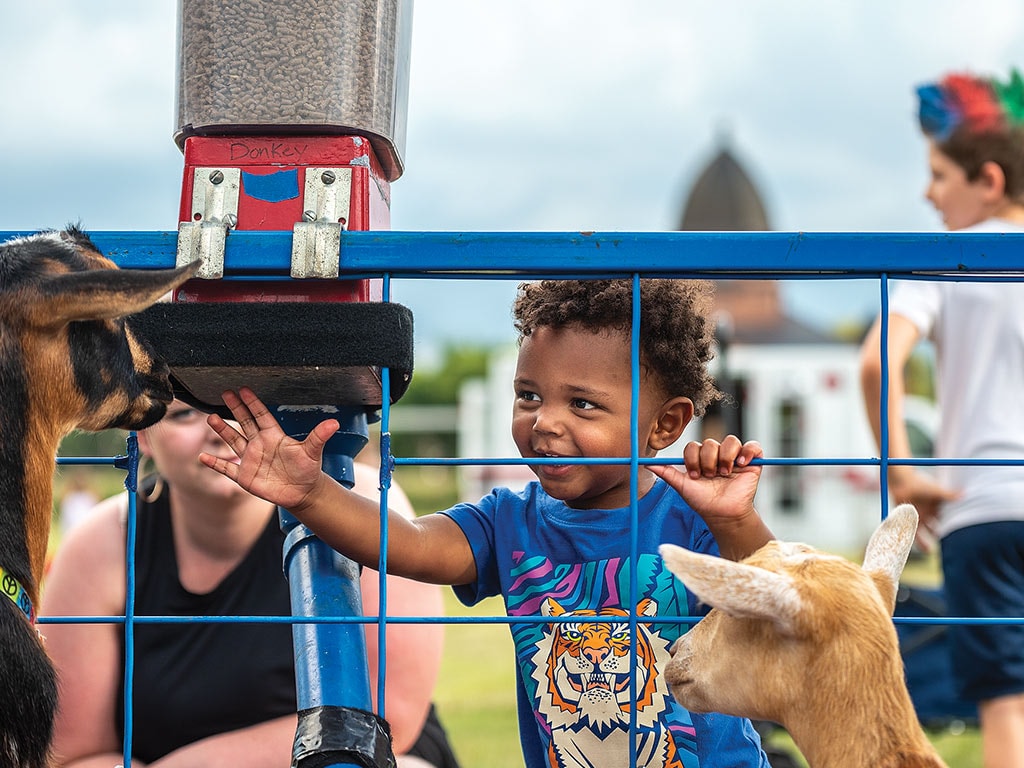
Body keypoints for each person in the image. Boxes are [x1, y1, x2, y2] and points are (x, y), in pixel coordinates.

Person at [200, 278, 775, 767]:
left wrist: (735, 517)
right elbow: (409, 544)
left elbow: (780, 601)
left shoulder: (695, 521)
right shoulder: (509, 520)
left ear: (665, 425)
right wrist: (309, 493)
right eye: (528, 395)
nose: (543, 422)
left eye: (583, 405)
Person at [41, 400, 460, 768]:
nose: (220, 431)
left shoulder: (361, 502)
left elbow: (391, 719)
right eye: (185, 413)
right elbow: (74, 753)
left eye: (238, 407)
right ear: (143, 437)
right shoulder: (103, 543)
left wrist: (194, 766)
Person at [859, 68, 1024, 768]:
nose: (929, 194)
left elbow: (876, 363)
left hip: (983, 508)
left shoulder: (949, 261)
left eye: (939, 175)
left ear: (986, 180)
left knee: (1008, 705)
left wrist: (904, 470)